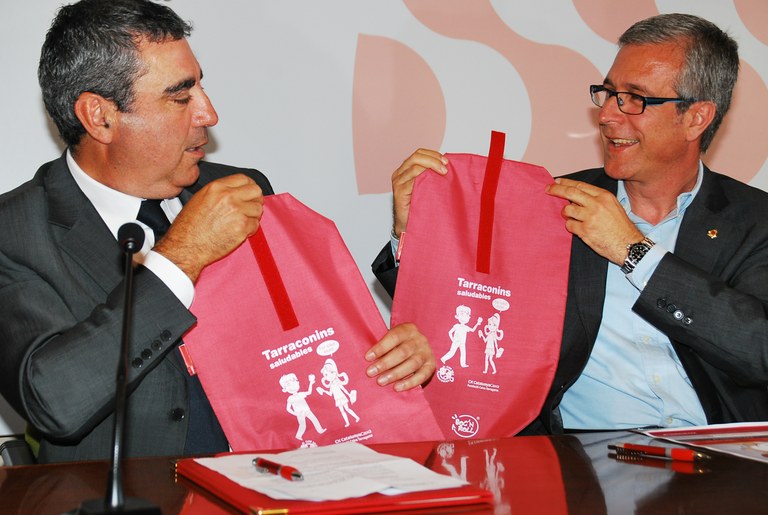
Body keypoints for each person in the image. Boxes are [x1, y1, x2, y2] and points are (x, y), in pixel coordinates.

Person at [0, 0, 434, 463]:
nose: (209, 113)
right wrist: (181, 256)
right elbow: (53, 399)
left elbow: (306, 341)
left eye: (200, 86)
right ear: (99, 117)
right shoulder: (15, 232)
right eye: (180, 96)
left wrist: (396, 354)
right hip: (132, 493)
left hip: (281, 479)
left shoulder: (242, 189)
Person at [373, 13, 768, 434]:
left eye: (635, 99)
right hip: (586, 454)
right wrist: (411, 233)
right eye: (609, 93)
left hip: (719, 451)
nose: (608, 115)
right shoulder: (553, 203)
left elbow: (758, 348)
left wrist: (633, 252)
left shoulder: (753, 220)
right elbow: (463, 303)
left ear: (696, 118)